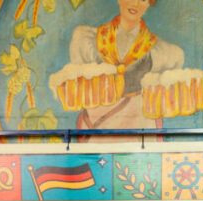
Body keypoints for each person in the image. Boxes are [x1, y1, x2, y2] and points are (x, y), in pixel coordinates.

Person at [66, 0, 184, 129]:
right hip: (98, 125)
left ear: (149, 4)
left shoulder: (159, 50)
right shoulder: (90, 39)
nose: (136, 4)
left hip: (139, 126)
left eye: (143, 0)